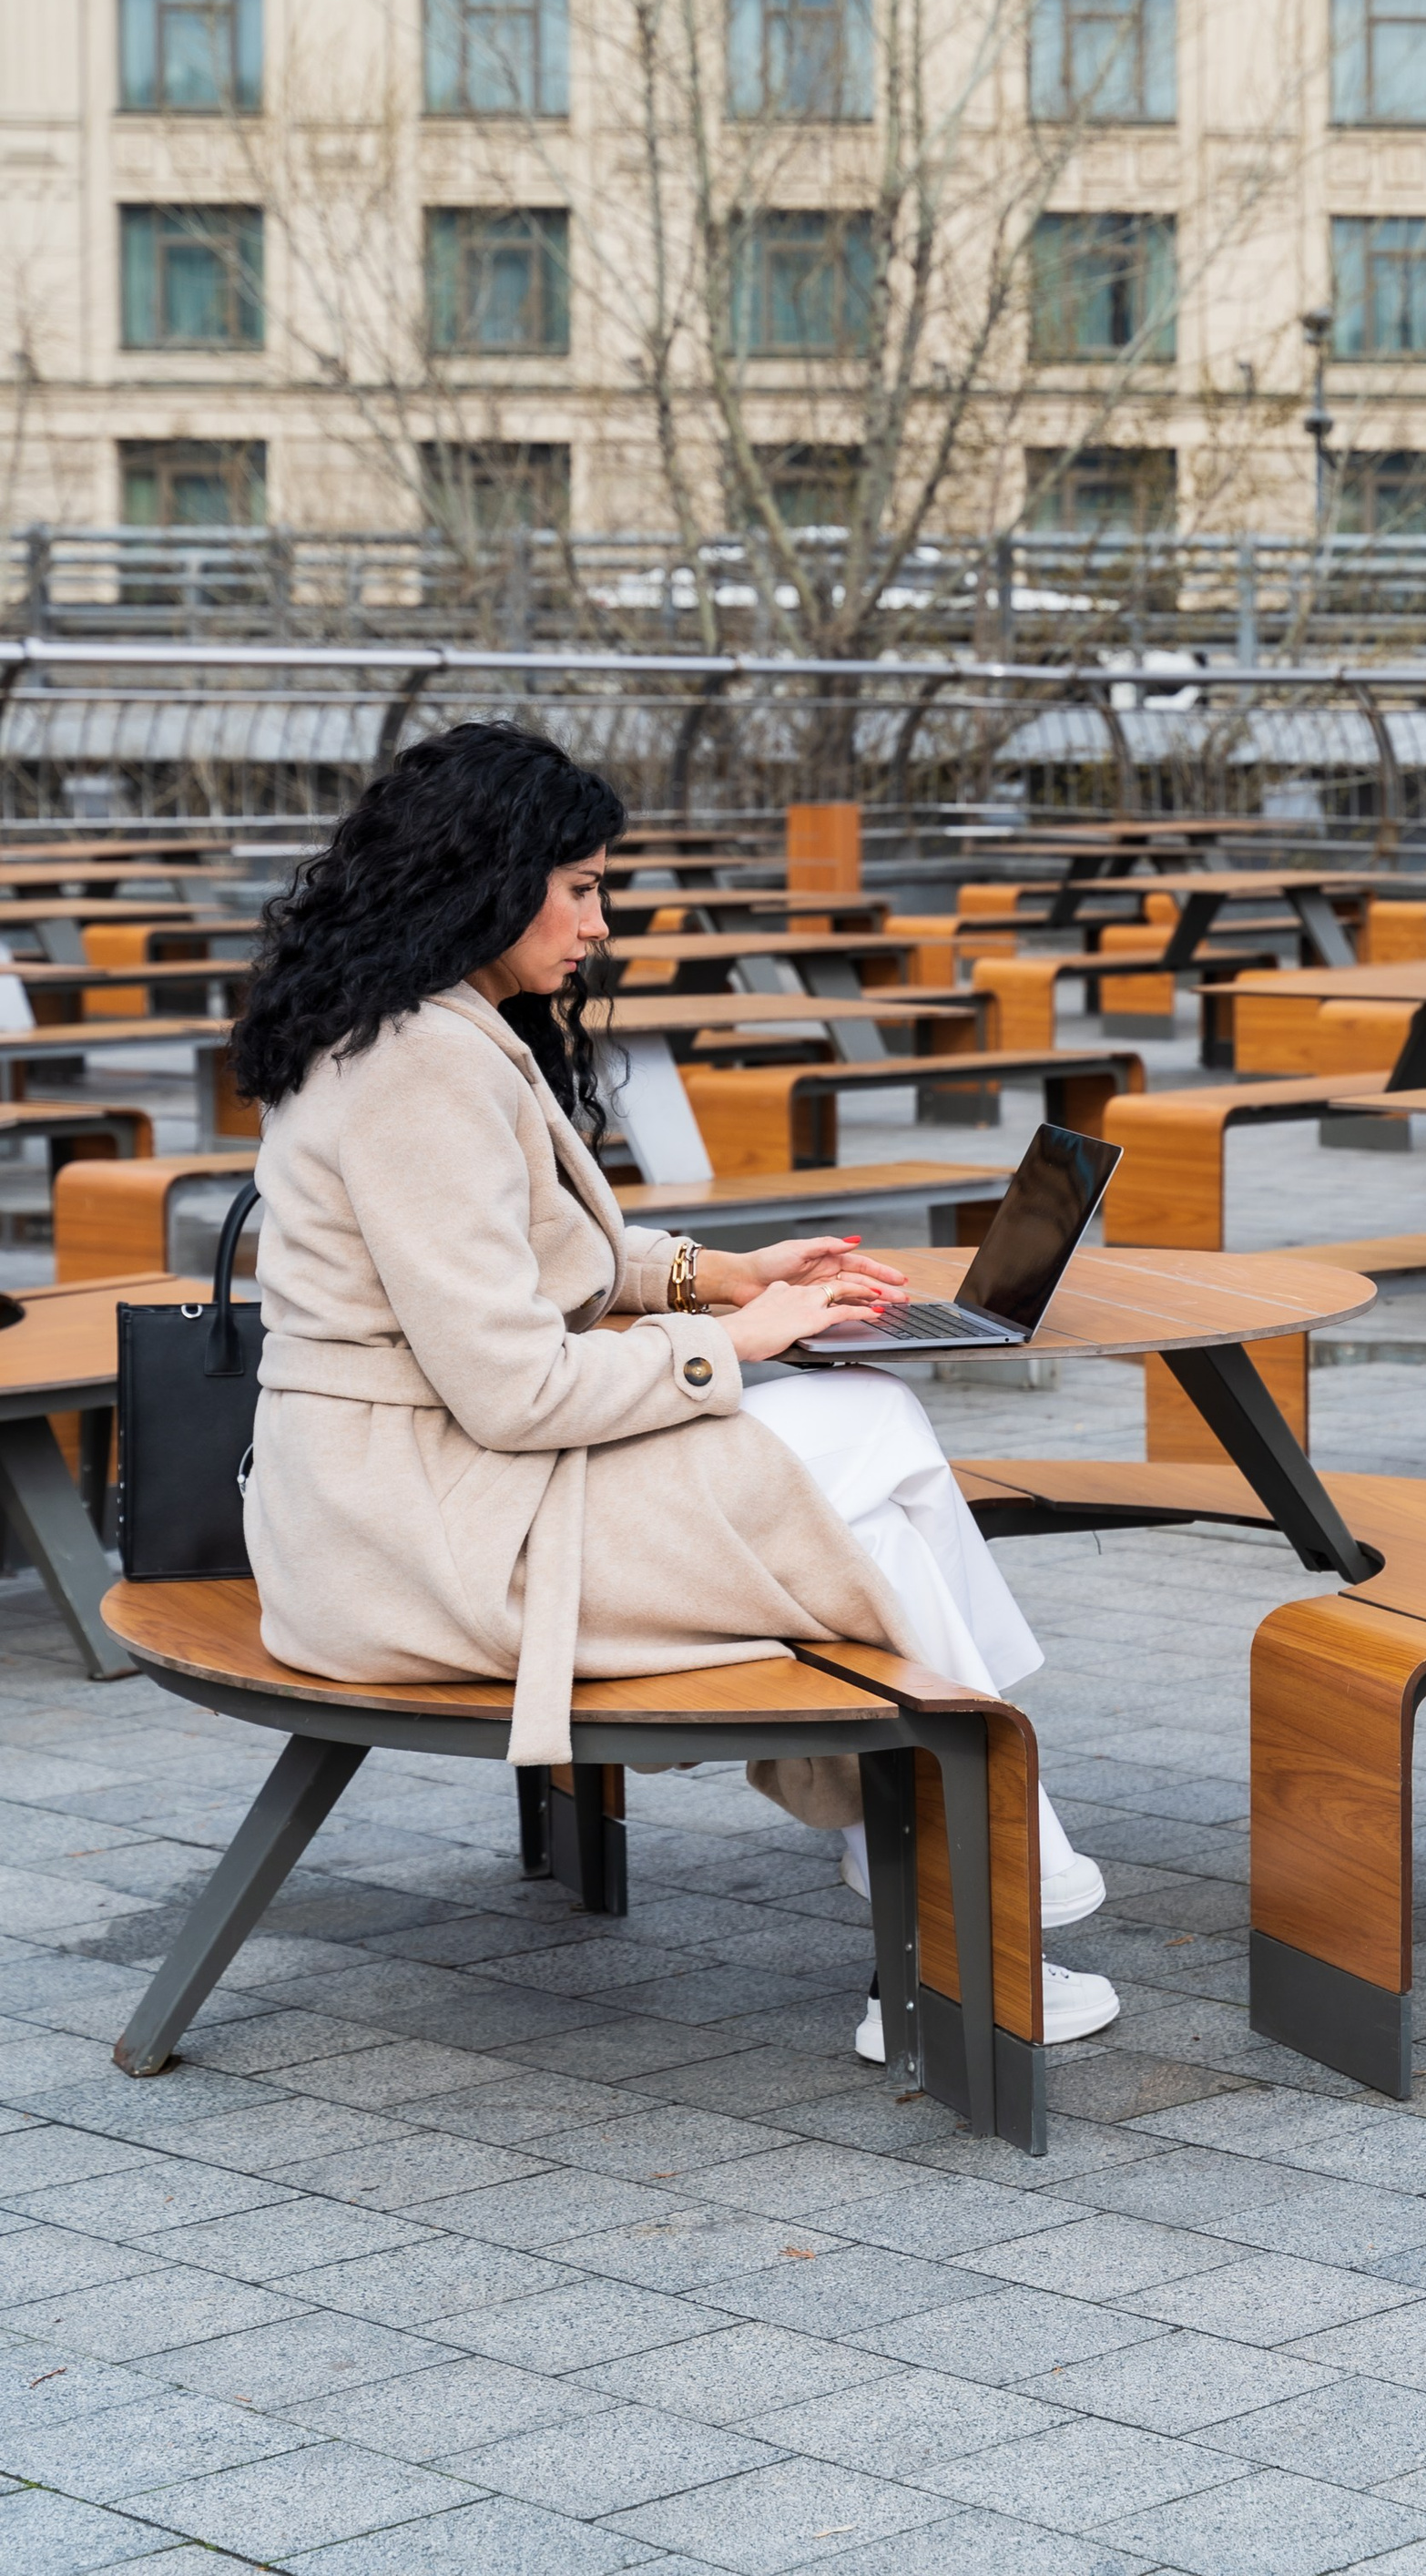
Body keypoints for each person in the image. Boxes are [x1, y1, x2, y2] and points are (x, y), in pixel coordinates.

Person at [231, 721, 1115, 2056]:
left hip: (428, 1486)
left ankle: (954, 1896)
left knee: (867, 1458)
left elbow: (535, 1257)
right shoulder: (420, 1065)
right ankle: (970, 1913)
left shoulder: (429, 1029)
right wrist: (746, 1344)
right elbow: (516, 1389)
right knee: (867, 1446)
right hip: (413, 1532)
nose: (601, 918)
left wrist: (721, 1274)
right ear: (485, 875)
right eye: (580, 885)